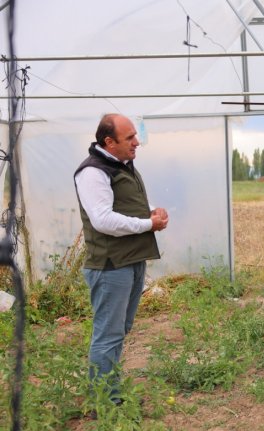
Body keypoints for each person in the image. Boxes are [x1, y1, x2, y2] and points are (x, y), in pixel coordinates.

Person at [74, 114, 169, 404]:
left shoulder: (121, 165)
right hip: (111, 266)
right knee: (108, 335)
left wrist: (152, 211)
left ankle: (108, 392)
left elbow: (128, 204)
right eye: (129, 138)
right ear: (109, 142)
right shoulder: (93, 171)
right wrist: (147, 225)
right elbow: (102, 220)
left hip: (130, 261)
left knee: (119, 330)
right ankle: (105, 403)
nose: (136, 142)